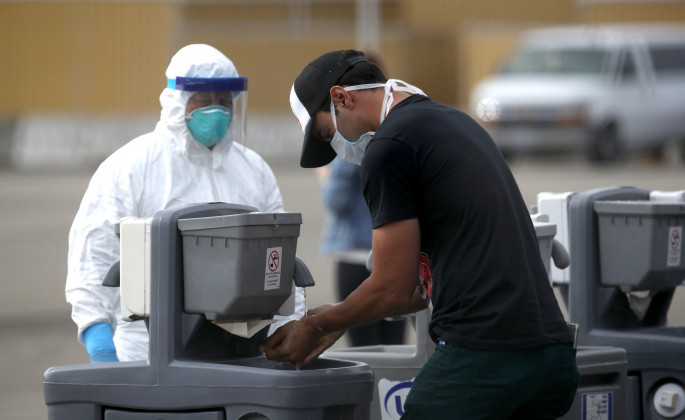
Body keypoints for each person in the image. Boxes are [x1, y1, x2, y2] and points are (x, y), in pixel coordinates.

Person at [262, 49, 579, 419]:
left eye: (326, 133)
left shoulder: (389, 148)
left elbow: (390, 289)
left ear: (341, 97)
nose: (335, 147)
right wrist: (341, 315)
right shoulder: (457, 123)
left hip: (486, 354)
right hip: (552, 357)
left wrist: (315, 325)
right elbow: (426, 285)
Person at [66, 44, 305, 363]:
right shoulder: (133, 165)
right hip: (148, 347)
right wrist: (99, 341)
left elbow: (281, 258)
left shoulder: (252, 169)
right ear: (177, 102)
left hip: (243, 347)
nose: (216, 109)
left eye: (224, 100)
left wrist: (292, 326)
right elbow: (94, 252)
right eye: (203, 99)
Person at [319, 156, 405, 346]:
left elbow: (337, 202)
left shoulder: (348, 153)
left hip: (356, 257)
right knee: (396, 349)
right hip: (395, 257)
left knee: (365, 350)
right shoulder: (393, 144)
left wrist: (328, 177)